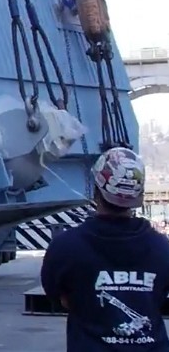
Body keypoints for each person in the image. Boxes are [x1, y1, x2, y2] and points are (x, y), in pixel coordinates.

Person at [41, 147, 169, 350]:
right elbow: (162, 300)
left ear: (96, 190)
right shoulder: (162, 248)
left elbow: (61, 300)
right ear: (138, 195)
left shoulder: (65, 247)